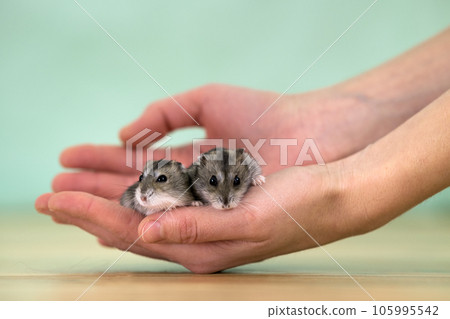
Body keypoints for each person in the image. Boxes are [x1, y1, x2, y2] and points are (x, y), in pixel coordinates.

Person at [35, 28, 450, 273]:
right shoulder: (190, 180)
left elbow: (241, 172)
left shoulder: (237, 170)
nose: (227, 199)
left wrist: (342, 188)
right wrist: (340, 114)